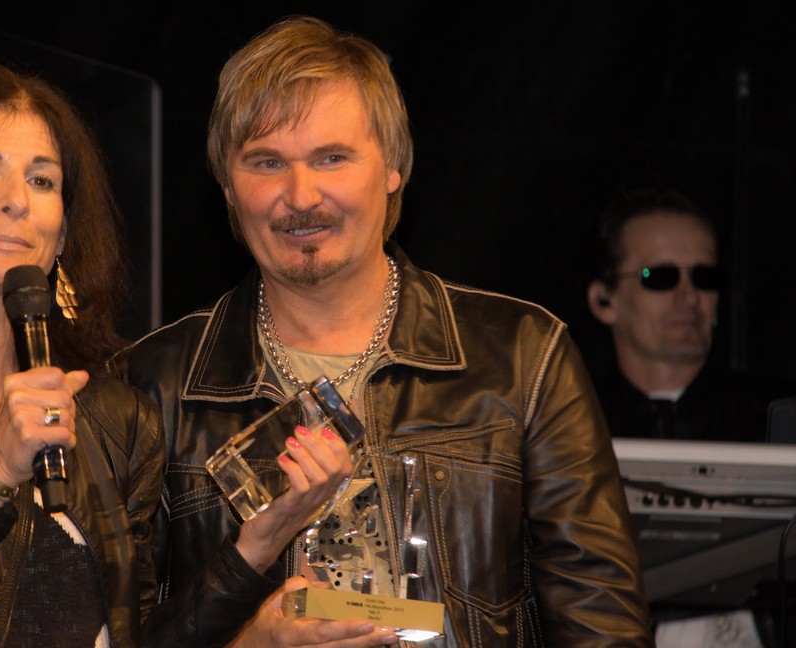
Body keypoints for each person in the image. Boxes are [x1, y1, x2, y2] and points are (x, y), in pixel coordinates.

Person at [120, 16, 653, 647]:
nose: (301, 195)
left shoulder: (521, 356)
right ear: (229, 189)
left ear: (394, 166)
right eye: (267, 162)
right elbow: (110, 634)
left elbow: (603, 626)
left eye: (332, 158)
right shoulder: (157, 383)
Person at [0, 63, 350, 648]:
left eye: (42, 181)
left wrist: (255, 547)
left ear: (60, 233)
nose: (16, 201)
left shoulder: (118, 419)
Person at [585, 188, 769, 442]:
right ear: (604, 300)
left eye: (704, 277)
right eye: (660, 277)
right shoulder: (564, 425)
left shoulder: (773, 419)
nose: (690, 296)